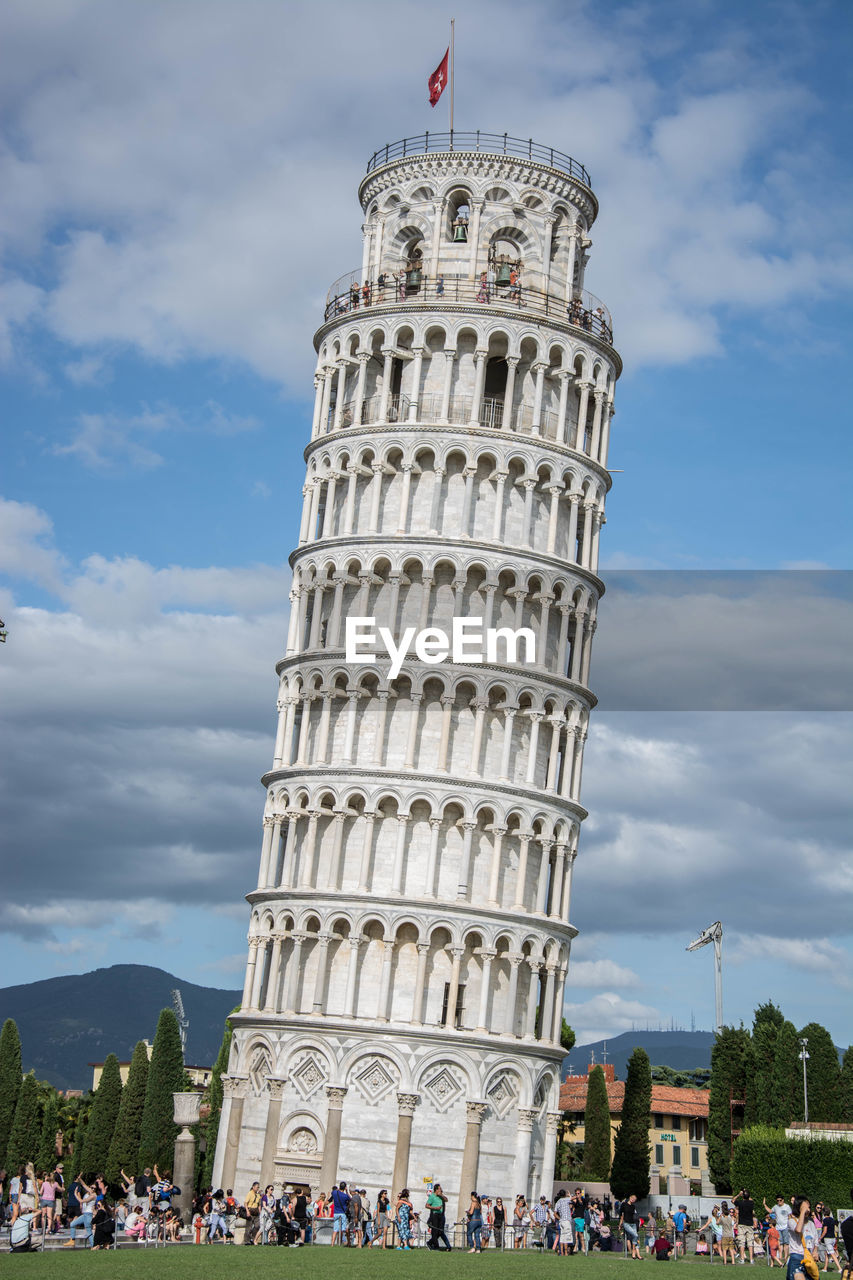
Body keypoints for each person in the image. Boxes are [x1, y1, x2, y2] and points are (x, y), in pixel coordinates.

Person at [63, 1176, 97, 1248]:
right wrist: (80, 1178)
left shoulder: (93, 1195)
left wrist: (75, 1194)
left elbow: (82, 1201)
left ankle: (93, 1245)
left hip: (88, 1215)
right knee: (72, 1224)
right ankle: (72, 1240)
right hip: (85, 1214)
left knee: (88, 1231)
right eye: (92, 1187)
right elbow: (84, 1185)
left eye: (94, 1188)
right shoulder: (90, 1192)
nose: (93, 1189)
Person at [766, 1195, 793, 1261]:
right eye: (777, 1200)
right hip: (778, 1227)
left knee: (786, 1243)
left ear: (783, 1200)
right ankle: (780, 1257)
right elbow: (770, 1211)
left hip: (785, 1226)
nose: (779, 1202)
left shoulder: (787, 1207)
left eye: (780, 1200)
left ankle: (786, 1257)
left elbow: (790, 1216)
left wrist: (790, 1225)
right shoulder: (775, 1207)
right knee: (780, 1243)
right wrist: (764, 1205)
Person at [425, 1184, 451, 1251]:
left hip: (441, 1215)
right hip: (435, 1215)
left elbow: (446, 1200)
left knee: (440, 1232)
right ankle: (436, 1247)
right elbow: (427, 1205)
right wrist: (435, 1208)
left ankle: (430, 1243)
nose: (440, 1190)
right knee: (435, 1231)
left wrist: (441, 1195)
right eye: (439, 1189)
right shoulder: (432, 1196)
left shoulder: (441, 1196)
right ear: (436, 1190)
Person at [735, 1189, 757, 1264]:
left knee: (742, 1242)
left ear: (743, 1196)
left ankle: (742, 1259)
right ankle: (751, 1259)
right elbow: (751, 1199)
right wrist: (746, 1194)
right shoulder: (751, 1203)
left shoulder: (740, 1203)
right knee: (750, 1242)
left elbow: (733, 1200)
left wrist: (739, 1194)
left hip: (741, 1224)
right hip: (750, 1224)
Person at [620, 1193, 642, 1259]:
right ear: (630, 1198)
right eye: (633, 1198)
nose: (633, 1200)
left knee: (636, 1237)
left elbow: (634, 1215)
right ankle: (633, 1252)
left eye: (634, 1199)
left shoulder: (633, 1207)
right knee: (635, 1235)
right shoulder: (624, 1205)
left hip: (633, 1223)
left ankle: (637, 1254)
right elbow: (622, 1214)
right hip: (626, 1223)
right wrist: (620, 1223)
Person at [554, 1191, 574, 1256]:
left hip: (561, 1221)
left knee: (562, 1237)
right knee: (567, 1237)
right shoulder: (566, 1199)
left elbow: (555, 1213)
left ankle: (561, 1252)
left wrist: (560, 1219)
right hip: (567, 1221)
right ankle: (565, 1252)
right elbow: (574, 1198)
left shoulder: (558, 1202)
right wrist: (569, 1195)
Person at [331, 1181, 350, 1246]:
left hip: (336, 1212)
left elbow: (333, 1192)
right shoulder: (345, 1196)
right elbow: (350, 1199)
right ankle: (340, 1242)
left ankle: (332, 1243)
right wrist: (347, 1191)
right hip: (342, 1213)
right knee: (342, 1229)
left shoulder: (334, 1193)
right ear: (345, 1188)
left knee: (335, 1230)